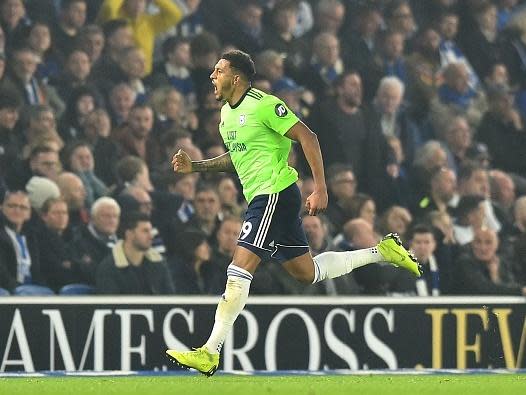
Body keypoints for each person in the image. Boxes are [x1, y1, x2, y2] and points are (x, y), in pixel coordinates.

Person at [165, 50, 421, 376]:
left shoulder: (265, 104)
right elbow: (237, 158)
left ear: (237, 77)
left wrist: (321, 187)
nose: (212, 76)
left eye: (219, 71)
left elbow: (307, 136)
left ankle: (210, 352)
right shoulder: (227, 115)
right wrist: (196, 167)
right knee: (307, 272)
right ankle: (382, 251)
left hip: (273, 194)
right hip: (266, 197)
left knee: (238, 269)